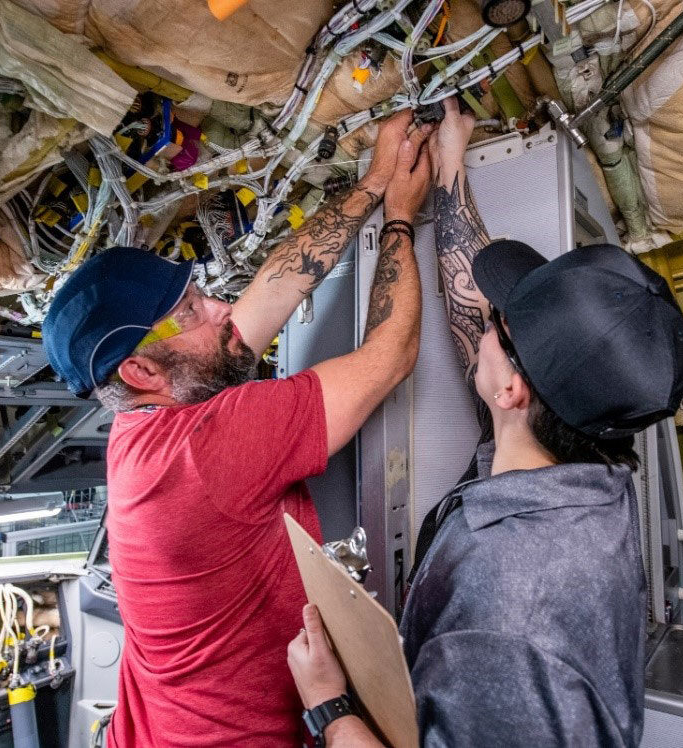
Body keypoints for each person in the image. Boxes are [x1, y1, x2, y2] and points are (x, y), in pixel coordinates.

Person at [287, 97, 683, 747]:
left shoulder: (505, 606)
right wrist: (449, 166)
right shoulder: (586, 475)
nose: (484, 329)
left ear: (511, 391)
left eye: (500, 330)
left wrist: (328, 704)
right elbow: (474, 308)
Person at [41, 110, 434, 747]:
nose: (220, 307)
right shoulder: (203, 452)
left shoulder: (144, 419)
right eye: (192, 309)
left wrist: (374, 179)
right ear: (141, 366)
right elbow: (391, 356)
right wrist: (398, 215)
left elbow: (266, 297)